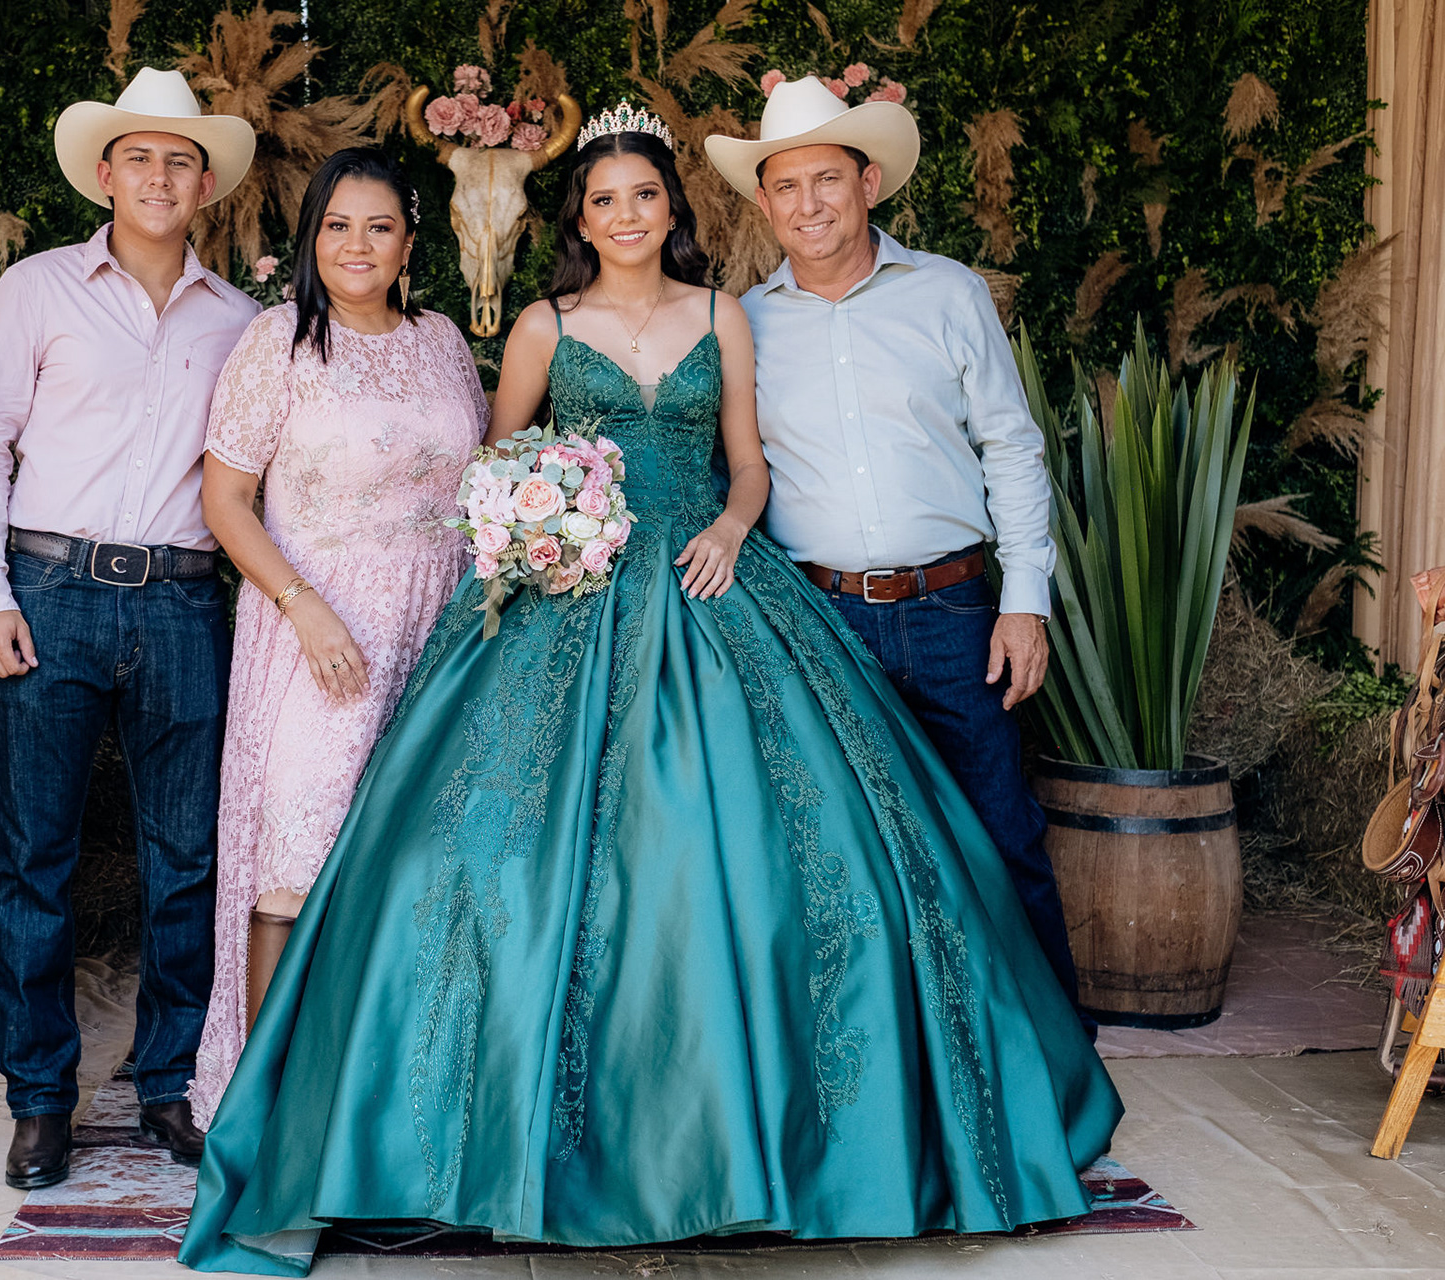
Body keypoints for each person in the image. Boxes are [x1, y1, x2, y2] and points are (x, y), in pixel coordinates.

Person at [175, 103, 1121, 1273]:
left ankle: (814, 1131)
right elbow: (491, 465)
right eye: (603, 199)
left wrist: (729, 525)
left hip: (712, 581)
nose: (625, 215)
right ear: (579, 219)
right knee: (476, 858)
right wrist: (543, 525)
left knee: (807, 853)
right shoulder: (540, 324)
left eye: (644, 196)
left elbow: (749, 462)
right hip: (570, 598)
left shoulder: (727, 314)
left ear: (674, 209)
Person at [705, 76, 1088, 1025]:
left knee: (1000, 831)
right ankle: (903, 1064)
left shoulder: (949, 293)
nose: (808, 205)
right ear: (764, 204)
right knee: (848, 850)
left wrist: (1024, 601)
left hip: (954, 612)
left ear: (868, 182)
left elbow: (1012, 446)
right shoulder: (744, 324)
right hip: (818, 618)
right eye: (786, 187)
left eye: (827, 180)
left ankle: (1057, 1056)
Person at [0, 67, 259, 1190]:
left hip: (184, 601)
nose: (159, 177)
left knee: (187, 860)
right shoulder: (37, 289)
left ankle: (171, 1082)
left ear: (206, 183)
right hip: (50, 593)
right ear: (106, 175)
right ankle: (39, 1101)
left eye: (180, 160)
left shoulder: (245, 322)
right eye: (140, 158)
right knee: (35, 861)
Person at [188, 149, 487, 1128]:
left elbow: (477, 483)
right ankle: (268, 1116)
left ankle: (383, 1105)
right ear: (312, 236)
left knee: (411, 860)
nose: (357, 245)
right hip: (318, 633)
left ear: (409, 242)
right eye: (337, 226)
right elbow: (225, 500)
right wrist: (302, 604)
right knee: (299, 850)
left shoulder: (442, 340)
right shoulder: (277, 340)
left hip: (436, 632)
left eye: (379, 227)